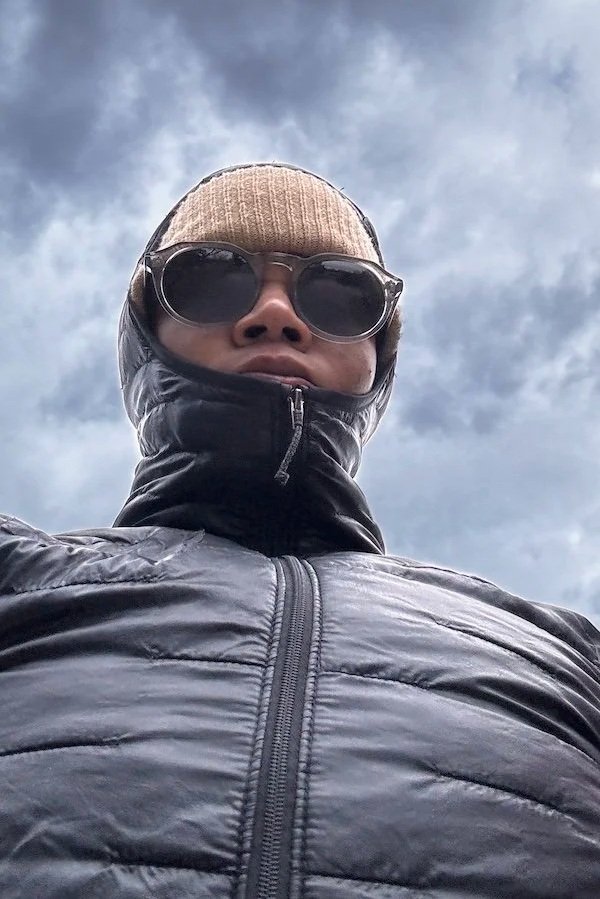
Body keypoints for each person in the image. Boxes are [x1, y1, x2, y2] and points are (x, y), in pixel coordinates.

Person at [1, 162, 598, 899]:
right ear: (146, 338)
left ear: (378, 359)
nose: (276, 314)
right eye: (210, 277)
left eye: (341, 293)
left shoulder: (568, 654)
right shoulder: (16, 576)